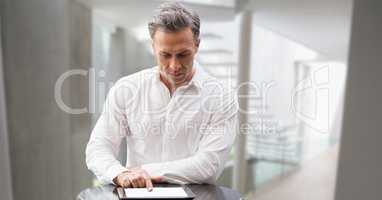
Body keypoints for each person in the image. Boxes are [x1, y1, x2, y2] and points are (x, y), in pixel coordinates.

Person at [85, 2, 238, 191]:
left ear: (197, 45)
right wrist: (120, 174)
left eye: (183, 55)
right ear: (153, 47)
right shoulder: (127, 88)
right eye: (165, 55)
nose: (174, 65)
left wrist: (144, 172)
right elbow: (99, 147)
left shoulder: (221, 97)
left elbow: (209, 164)